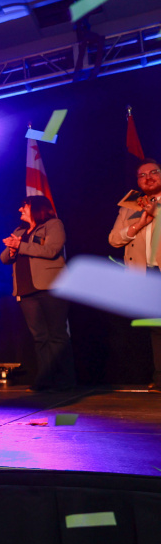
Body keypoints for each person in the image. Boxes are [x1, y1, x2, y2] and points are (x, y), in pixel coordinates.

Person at [0, 196, 74, 391]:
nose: (20, 209)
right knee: (39, 337)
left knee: (57, 335)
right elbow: (4, 258)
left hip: (52, 287)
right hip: (25, 290)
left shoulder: (53, 224)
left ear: (37, 208)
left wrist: (20, 246)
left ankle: (66, 381)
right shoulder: (19, 231)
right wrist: (12, 249)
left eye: (24, 206)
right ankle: (44, 381)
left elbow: (51, 250)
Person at [109, 160, 161, 392]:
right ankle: (160, 379)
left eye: (153, 173)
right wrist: (138, 223)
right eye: (142, 175)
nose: (148, 178)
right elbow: (114, 240)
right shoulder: (130, 207)